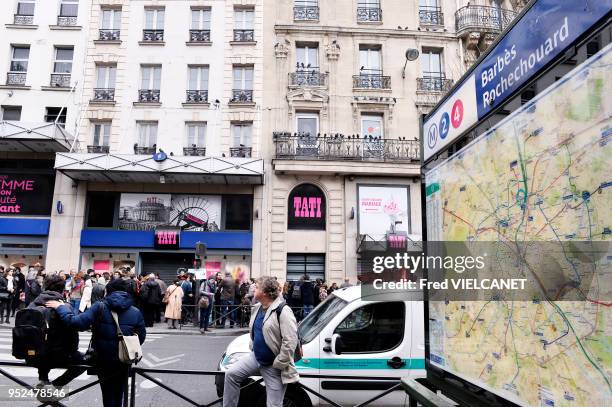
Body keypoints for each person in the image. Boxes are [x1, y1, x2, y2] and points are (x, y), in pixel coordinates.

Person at [46, 278, 146, 407]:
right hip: (124, 359)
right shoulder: (135, 311)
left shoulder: (100, 306)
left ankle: (52, 387)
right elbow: (141, 337)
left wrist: (61, 307)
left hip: (103, 359)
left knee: (108, 394)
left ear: (108, 291)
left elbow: (75, 323)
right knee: (119, 394)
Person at [222, 276, 299, 407]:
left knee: (274, 405)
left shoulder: (283, 311)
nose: (253, 288)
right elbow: (256, 332)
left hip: (273, 366)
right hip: (255, 358)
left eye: (256, 287)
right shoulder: (257, 308)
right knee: (231, 375)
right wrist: (254, 348)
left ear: (264, 292)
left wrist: (279, 363)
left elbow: (290, 340)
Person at [29, 275, 86, 389]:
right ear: (62, 289)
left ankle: (43, 379)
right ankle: (56, 385)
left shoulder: (32, 305)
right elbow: (75, 331)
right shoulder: (64, 307)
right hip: (59, 356)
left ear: (45, 286)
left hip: (31, 356)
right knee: (83, 362)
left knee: (43, 342)